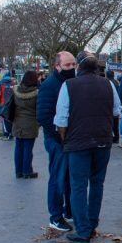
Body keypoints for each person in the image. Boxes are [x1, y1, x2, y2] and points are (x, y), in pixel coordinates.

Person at [54, 51, 122, 243]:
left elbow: (61, 119)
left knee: (78, 186)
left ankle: (82, 229)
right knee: (97, 183)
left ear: (79, 67)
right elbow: (117, 111)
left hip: (78, 142)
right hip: (103, 141)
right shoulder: (108, 84)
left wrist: (64, 139)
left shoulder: (69, 86)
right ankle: (92, 224)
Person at [37, 51, 76, 232]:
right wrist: (58, 135)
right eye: (67, 65)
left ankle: (69, 211)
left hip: (71, 139)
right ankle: (55, 216)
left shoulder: (72, 83)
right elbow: (44, 116)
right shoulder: (49, 85)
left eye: (73, 64)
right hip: (56, 140)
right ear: (57, 66)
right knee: (58, 178)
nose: (71, 68)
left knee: (69, 177)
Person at [12, 70, 40, 179]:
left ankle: (18, 171)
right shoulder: (37, 93)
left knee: (18, 147)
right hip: (30, 124)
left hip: (17, 123)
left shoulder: (16, 91)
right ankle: (27, 171)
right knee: (28, 149)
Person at [0, 71, 15, 140]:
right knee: (11, 119)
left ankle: (6, 135)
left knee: (3, 119)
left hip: (3, 103)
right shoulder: (13, 83)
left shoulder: (0, 83)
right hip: (12, 104)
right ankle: (11, 134)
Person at [106, 69, 121, 144]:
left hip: (109, 105)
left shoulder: (107, 82)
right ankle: (116, 138)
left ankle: (111, 137)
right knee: (116, 123)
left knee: (109, 123)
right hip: (116, 104)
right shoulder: (116, 82)